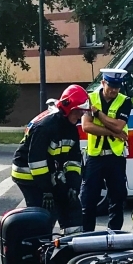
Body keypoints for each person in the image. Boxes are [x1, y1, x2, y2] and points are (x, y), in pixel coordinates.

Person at [13, 85, 88, 231]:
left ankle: (72, 245)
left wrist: (73, 185)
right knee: (45, 213)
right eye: (78, 111)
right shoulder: (46, 126)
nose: (80, 115)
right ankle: (38, 247)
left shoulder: (70, 128)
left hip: (48, 171)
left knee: (71, 205)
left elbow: (73, 160)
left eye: (82, 112)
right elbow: (36, 161)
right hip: (27, 172)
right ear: (68, 107)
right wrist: (46, 190)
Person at [80, 68, 133, 232]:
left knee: (117, 199)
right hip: (95, 156)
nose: (114, 91)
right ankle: (87, 235)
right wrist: (112, 132)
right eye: (111, 86)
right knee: (88, 199)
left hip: (115, 157)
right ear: (103, 83)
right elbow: (86, 126)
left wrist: (98, 113)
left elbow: (119, 125)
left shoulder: (125, 101)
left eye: (117, 87)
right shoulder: (90, 98)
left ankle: (114, 235)